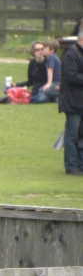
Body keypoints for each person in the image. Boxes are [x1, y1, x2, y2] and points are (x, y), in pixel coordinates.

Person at [58, 29, 83, 176]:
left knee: (81, 134)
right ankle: (72, 166)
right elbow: (71, 76)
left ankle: (80, 163)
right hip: (72, 101)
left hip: (80, 100)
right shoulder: (71, 55)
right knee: (72, 134)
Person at [32, 39, 61, 103]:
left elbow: (50, 70)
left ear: (52, 50)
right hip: (56, 83)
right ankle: (54, 98)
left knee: (41, 91)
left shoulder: (51, 58)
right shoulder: (55, 57)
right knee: (43, 93)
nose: (43, 50)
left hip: (56, 83)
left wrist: (49, 83)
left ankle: (61, 96)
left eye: (45, 48)